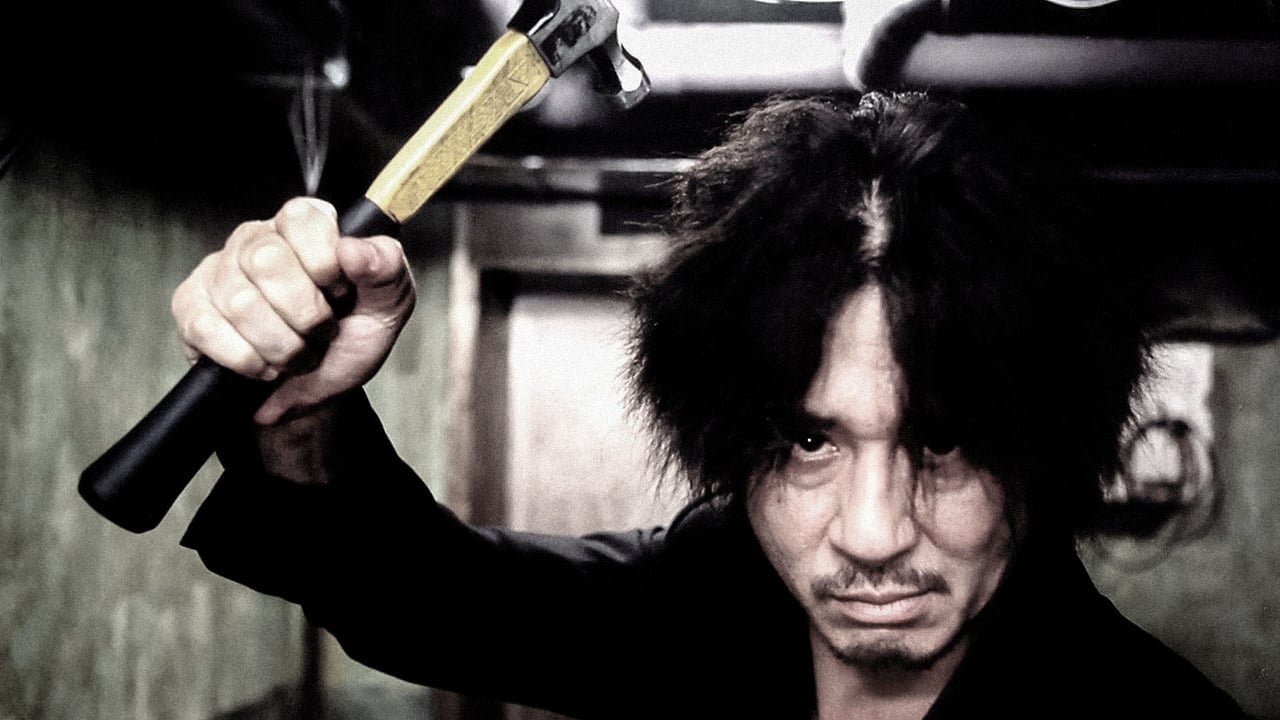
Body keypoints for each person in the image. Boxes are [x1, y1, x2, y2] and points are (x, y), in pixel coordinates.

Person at [174, 91, 1246, 718]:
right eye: (809, 438)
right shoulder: (715, 600)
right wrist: (300, 412)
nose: (873, 534)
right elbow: (434, 602)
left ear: (1043, 442)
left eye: (944, 439)